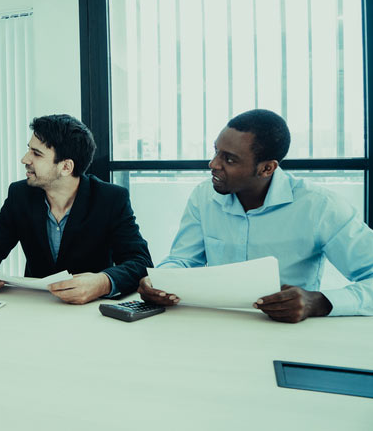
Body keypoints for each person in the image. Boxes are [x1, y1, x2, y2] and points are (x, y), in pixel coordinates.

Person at [139, 109, 373, 322]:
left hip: (289, 334)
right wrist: (160, 280)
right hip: (214, 326)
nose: (213, 164)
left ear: (267, 169)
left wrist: (319, 302)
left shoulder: (320, 207)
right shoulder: (204, 196)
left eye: (229, 159)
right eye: (215, 152)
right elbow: (184, 260)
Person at [0, 114, 152, 304]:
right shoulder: (20, 195)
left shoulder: (110, 199)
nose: (25, 159)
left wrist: (103, 282)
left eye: (37, 153)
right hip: (37, 309)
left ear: (66, 167)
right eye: (29, 150)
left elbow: (141, 263)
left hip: (91, 313)